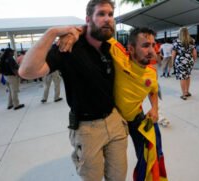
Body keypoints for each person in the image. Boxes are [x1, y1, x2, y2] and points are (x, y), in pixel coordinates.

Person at [19, 0, 128, 180]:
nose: (108, 19)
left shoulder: (111, 47)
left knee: (118, 177)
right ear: (88, 19)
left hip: (115, 121)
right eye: (101, 14)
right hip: (87, 129)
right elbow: (26, 71)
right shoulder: (68, 47)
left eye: (110, 14)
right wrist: (52, 32)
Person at [111, 27, 167, 180]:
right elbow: (96, 29)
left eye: (153, 45)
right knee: (115, 166)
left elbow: (153, 90)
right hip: (114, 120)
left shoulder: (151, 72)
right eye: (145, 45)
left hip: (136, 117)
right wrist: (69, 33)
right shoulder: (119, 56)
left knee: (147, 156)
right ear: (131, 48)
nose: (151, 50)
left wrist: (155, 109)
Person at [172, 27, 197, 100]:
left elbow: (173, 53)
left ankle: (183, 94)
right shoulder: (191, 40)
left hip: (180, 61)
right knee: (188, 76)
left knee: (182, 77)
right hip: (189, 60)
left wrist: (172, 62)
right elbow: (194, 52)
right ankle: (187, 92)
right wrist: (194, 60)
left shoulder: (176, 41)